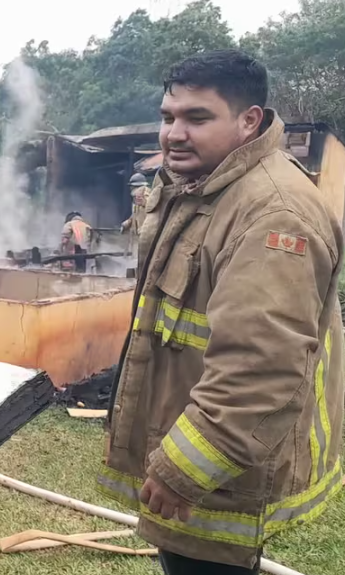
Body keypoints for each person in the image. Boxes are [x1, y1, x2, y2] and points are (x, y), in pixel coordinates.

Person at [102, 49, 344, 574]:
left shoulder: (273, 214)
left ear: (248, 120)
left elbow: (261, 368)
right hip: (187, 441)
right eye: (169, 117)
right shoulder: (201, 189)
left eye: (197, 118)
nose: (174, 134)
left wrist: (183, 470)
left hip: (218, 468)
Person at [121, 173, 151, 259]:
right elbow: (135, 216)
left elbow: (152, 216)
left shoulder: (147, 197)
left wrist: (144, 230)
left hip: (144, 237)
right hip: (137, 237)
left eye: (131, 187)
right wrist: (127, 223)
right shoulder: (137, 200)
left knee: (143, 258)